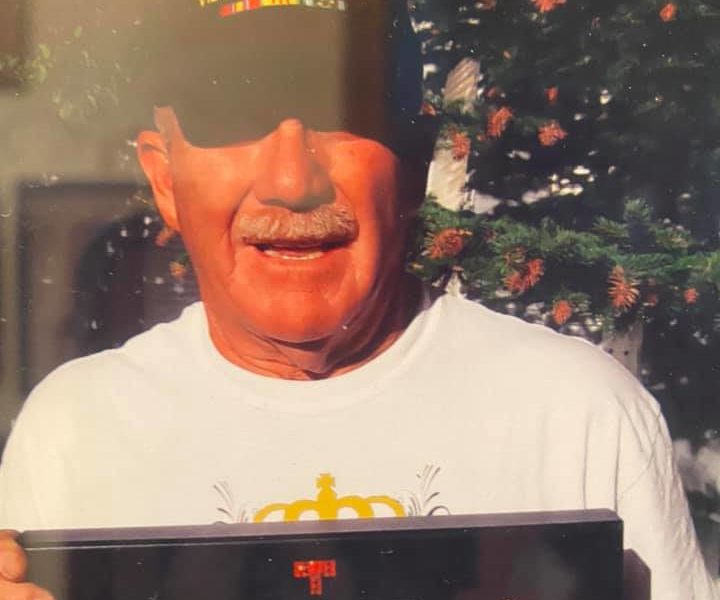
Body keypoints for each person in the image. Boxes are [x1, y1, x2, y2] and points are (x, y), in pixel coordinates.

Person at [0, 1, 717, 598]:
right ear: (164, 181)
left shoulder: (577, 412)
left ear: (414, 168)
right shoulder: (78, 427)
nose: (292, 181)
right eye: (235, 119)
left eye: (340, 120)